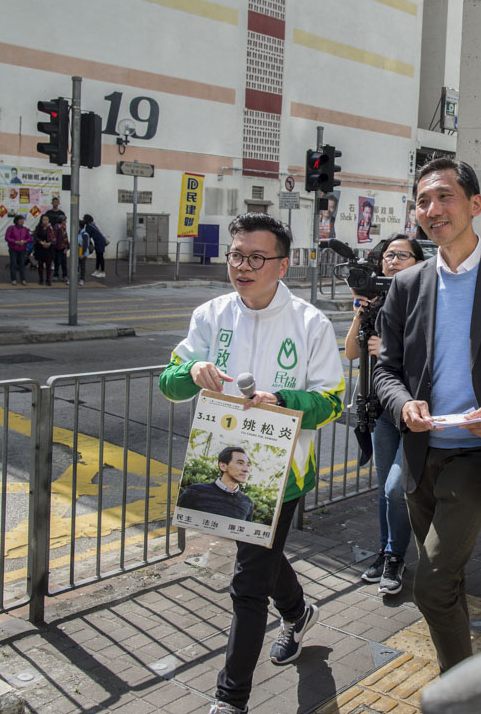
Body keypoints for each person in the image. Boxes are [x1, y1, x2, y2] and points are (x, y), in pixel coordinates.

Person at [159, 213, 345, 714]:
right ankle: (298, 611)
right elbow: (169, 382)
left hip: (281, 474)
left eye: (256, 258)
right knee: (260, 553)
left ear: (282, 265)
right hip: (221, 467)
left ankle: (230, 699)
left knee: (247, 581)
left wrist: (282, 399)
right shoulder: (211, 314)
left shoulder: (310, 324)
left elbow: (331, 402)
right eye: (237, 256)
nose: (243, 266)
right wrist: (191, 371)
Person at [373, 158, 481, 672]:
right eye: (423, 200)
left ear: (474, 204)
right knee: (447, 580)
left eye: (445, 197)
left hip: (476, 458)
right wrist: (403, 403)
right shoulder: (407, 285)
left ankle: (459, 688)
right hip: (419, 454)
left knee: (429, 584)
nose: (433, 209)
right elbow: (385, 371)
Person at [344, 235, 425, 596]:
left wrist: (389, 347)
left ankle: (395, 555)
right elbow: (350, 353)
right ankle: (385, 552)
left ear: (418, 263)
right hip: (379, 408)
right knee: (383, 490)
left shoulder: (425, 300)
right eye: (388, 255)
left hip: (412, 408)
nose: (392, 261)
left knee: (396, 489)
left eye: (402, 255)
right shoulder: (374, 303)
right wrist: (361, 312)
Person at [176, 447, 256, 521]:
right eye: (240, 463)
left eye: (248, 465)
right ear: (223, 466)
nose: (246, 469)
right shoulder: (195, 491)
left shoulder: (247, 503)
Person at [5, 215, 31, 285]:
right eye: (20, 219)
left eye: (23, 220)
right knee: (13, 264)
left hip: (22, 249)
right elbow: (7, 238)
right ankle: (13, 279)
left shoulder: (25, 229)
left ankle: (23, 279)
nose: (22, 221)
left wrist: (25, 241)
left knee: (22, 264)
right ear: (16, 221)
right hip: (13, 249)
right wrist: (15, 242)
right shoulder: (11, 228)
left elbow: (29, 238)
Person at [33, 215, 55, 286]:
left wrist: (49, 243)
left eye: (46, 219)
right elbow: (35, 236)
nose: (45, 221)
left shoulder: (51, 228)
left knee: (48, 265)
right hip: (40, 248)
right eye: (44, 219)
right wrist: (41, 242)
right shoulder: (38, 227)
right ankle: (41, 279)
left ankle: (48, 279)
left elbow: (54, 238)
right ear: (41, 220)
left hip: (49, 248)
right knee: (40, 265)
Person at [52, 215, 69, 283]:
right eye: (64, 220)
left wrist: (67, 246)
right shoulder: (56, 227)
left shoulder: (63, 227)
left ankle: (65, 275)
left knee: (64, 262)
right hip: (57, 247)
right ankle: (56, 275)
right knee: (57, 262)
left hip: (63, 247)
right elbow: (54, 237)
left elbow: (65, 237)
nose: (65, 222)